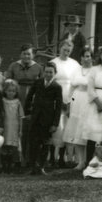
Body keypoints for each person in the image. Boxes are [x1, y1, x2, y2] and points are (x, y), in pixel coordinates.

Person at [25, 61, 63, 175]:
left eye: (51, 72)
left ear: (55, 73)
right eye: (46, 72)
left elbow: (59, 106)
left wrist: (55, 124)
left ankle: (41, 166)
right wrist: (28, 112)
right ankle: (33, 167)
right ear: (43, 72)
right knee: (33, 143)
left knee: (45, 144)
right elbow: (29, 97)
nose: (48, 74)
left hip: (48, 120)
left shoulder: (57, 87)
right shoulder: (37, 82)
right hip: (35, 118)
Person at [50, 38, 83, 168]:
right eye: (64, 49)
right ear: (60, 48)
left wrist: (70, 102)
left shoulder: (75, 64)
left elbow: (77, 85)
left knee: (67, 130)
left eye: (69, 50)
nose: (66, 52)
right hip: (55, 101)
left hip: (70, 101)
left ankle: (63, 158)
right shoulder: (53, 62)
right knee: (57, 128)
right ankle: (53, 158)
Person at [62, 47, 95, 171]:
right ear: (80, 58)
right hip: (77, 102)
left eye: (88, 56)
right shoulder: (76, 70)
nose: (86, 59)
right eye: (84, 56)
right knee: (77, 133)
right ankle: (80, 162)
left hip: (89, 102)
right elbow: (71, 89)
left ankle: (90, 161)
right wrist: (69, 103)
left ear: (92, 57)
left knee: (88, 134)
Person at [0, 78, 24, 173]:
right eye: (9, 91)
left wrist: (21, 130)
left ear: (16, 92)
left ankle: (11, 166)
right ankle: (4, 166)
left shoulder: (17, 102)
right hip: (5, 127)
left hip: (14, 127)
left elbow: (20, 117)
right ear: (5, 91)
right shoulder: (2, 101)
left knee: (13, 147)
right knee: (4, 146)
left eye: (13, 91)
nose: (11, 93)